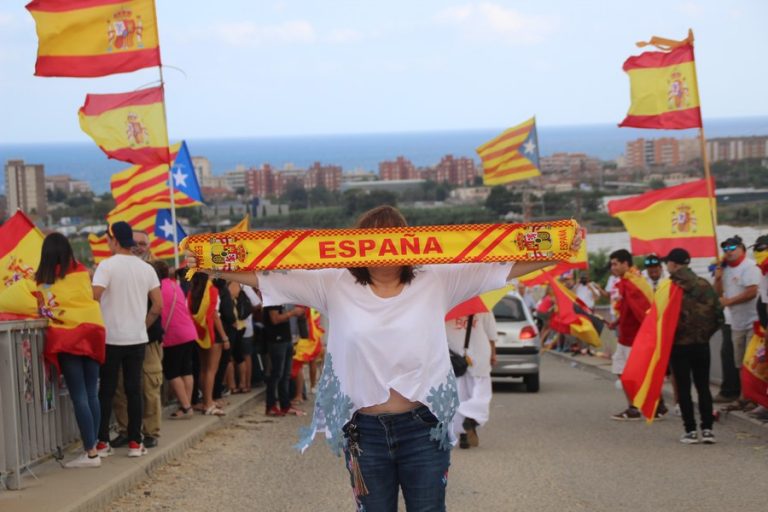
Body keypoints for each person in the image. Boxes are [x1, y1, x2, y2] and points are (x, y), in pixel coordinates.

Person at [187, 205, 581, 511]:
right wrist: (205, 261)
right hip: (365, 432)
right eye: (371, 241)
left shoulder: (438, 279)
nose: (382, 251)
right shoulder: (332, 283)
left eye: (390, 240)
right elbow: (264, 277)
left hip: (423, 427)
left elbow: (506, 267)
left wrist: (564, 245)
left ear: (407, 242)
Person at [36, 233, 106, 468]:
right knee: (91, 392)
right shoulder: (82, 272)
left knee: (79, 395)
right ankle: (95, 445)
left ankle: (90, 453)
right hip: (93, 331)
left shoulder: (44, 280)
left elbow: (42, 308)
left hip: (68, 337)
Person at [93, 222, 162, 458]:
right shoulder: (146, 268)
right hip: (137, 339)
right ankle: (135, 442)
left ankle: (102, 442)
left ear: (114, 240)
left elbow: (94, 297)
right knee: (135, 391)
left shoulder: (106, 266)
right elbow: (157, 306)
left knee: (108, 391)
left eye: (107, 239)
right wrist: (141, 325)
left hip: (111, 337)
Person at [111, 229, 164, 449]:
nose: (139, 247)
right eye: (136, 243)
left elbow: (157, 305)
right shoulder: (119, 267)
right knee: (121, 388)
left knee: (149, 386)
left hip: (148, 339)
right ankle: (126, 430)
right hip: (123, 339)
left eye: (143, 243)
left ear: (149, 246)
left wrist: (141, 328)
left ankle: (150, 431)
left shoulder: (154, 269)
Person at [664, 248, 723, 444]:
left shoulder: (670, 288)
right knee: (703, 387)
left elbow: (661, 319)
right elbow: (719, 316)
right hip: (702, 345)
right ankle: (707, 429)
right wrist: (704, 335)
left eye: (668, 263)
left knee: (683, 388)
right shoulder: (705, 285)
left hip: (679, 346)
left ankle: (690, 430)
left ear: (674, 264)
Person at [607, 249, 656, 421]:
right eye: (611, 264)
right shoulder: (628, 282)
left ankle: (639, 407)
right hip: (625, 336)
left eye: (615, 264)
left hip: (634, 338)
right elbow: (628, 309)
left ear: (625, 264)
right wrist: (617, 322)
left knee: (632, 373)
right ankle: (642, 406)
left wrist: (648, 336)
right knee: (622, 370)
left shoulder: (633, 283)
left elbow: (642, 311)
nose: (612, 267)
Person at [713, 235, 761, 407]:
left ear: (742, 249)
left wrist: (730, 302)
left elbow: (752, 292)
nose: (728, 252)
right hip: (735, 322)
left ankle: (754, 398)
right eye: (725, 249)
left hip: (753, 320)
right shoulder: (724, 268)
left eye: (732, 248)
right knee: (739, 361)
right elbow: (717, 293)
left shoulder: (749, 266)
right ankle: (744, 396)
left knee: (752, 361)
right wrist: (718, 277)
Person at [153, 260, 198, 419]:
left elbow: (159, 312)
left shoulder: (158, 289)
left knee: (172, 372)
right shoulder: (174, 285)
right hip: (188, 331)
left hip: (174, 335)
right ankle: (187, 405)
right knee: (186, 370)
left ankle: (186, 407)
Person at [445, 312, 497, 449]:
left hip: (456, 357)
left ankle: (463, 435)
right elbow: (491, 334)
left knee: (460, 394)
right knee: (482, 393)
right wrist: (493, 353)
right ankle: (470, 417)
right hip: (480, 353)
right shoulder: (483, 307)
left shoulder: (448, 304)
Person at [187, 272, 228, 416]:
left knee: (203, 369)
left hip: (199, 332)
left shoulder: (193, 291)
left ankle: (206, 399)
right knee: (211, 370)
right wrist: (224, 337)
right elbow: (215, 315)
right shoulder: (212, 290)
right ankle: (208, 403)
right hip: (212, 333)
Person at [263, 303, 306, 416]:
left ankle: (285, 405)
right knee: (276, 374)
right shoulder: (273, 299)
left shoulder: (282, 298)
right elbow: (275, 319)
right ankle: (271, 405)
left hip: (286, 338)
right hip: (277, 340)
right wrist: (293, 313)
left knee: (286, 374)